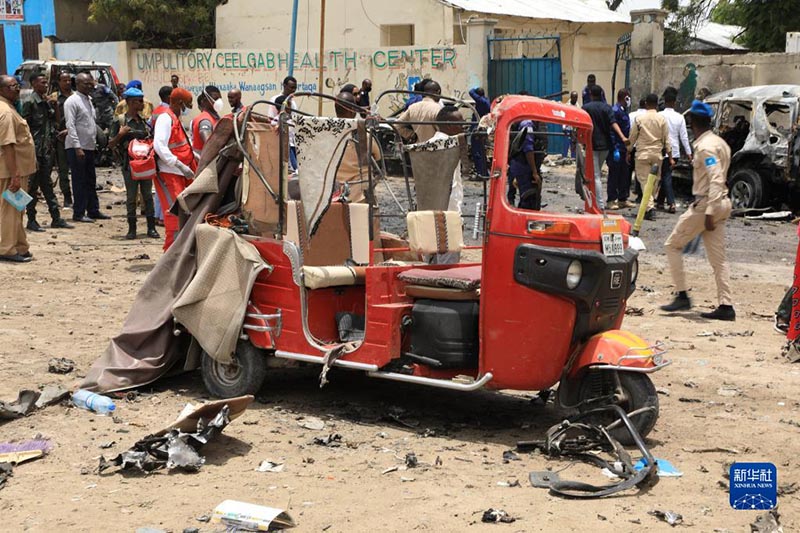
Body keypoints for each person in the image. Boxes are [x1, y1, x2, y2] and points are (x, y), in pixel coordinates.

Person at [661, 100, 735, 321]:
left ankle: (682, 294)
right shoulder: (720, 142)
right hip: (723, 202)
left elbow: (716, 177)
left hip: (707, 205)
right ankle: (726, 305)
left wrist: (710, 211)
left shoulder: (705, 147)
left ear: (692, 122)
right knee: (718, 259)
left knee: (672, 245)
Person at [20, 73, 72, 232]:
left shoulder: (48, 101)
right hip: (35, 150)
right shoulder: (30, 102)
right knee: (33, 186)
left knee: (47, 184)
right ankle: (32, 219)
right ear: (34, 84)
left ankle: (56, 218)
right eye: (42, 82)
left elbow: (55, 121)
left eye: (46, 82)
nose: (45, 84)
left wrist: (55, 106)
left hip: (47, 149)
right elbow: (24, 127)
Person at [109, 87, 159, 240]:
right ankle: (132, 229)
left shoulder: (144, 122)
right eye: (139, 101)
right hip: (129, 164)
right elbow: (110, 144)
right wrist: (121, 135)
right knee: (131, 197)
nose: (142, 103)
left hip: (144, 164)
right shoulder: (120, 121)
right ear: (130, 102)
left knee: (147, 196)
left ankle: (151, 228)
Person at [153, 87, 195, 250]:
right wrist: (178, 164)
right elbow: (159, 146)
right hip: (168, 173)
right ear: (179, 103)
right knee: (173, 213)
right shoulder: (165, 118)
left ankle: (177, 251)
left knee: (183, 212)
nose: (186, 109)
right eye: (186, 105)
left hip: (178, 173)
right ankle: (169, 254)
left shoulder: (175, 118)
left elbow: (182, 144)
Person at [0, 75, 37, 262]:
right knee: (11, 210)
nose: (17, 89)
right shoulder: (5, 112)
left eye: (17, 85)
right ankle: (6, 249)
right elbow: (7, 145)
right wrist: (14, 174)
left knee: (18, 209)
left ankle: (21, 246)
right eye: (13, 86)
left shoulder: (9, 107)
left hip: (16, 169)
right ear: (2, 90)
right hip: (10, 170)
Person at [64, 72, 109, 223]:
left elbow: (88, 123)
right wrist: (77, 147)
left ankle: (93, 210)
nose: (90, 86)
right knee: (79, 181)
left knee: (90, 180)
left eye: (91, 83)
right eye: (86, 84)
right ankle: (78, 213)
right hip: (77, 147)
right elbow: (70, 125)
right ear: (77, 84)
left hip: (89, 146)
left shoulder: (89, 100)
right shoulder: (72, 101)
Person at [429, 105, 465, 264]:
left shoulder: (432, 143)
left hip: (432, 212)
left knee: (434, 258)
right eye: (461, 123)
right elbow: (449, 185)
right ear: (450, 125)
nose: (464, 126)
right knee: (447, 265)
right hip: (448, 213)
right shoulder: (447, 146)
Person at [582, 84, 627, 210]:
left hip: (592, 145)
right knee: (596, 173)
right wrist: (622, 137)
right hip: (606, 146)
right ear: (602, 94)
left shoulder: (586, 108)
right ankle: (594, 201)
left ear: (590, 94)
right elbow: (613, 123)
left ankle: (599, 204)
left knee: (595, 175)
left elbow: (580, 125)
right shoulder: (607, 108)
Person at [333, 90, 381, 202]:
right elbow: (378, 162)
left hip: (334, 193)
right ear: (353, 110)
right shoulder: (364, 135)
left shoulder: (328, 134)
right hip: (360, 195)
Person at [627, 93, 669, 220]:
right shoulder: (662, 120)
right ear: (657, 104)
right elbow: (667, 139)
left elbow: (632, 137)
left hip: (643, 155)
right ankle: (649, 206)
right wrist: (670, 155)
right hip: (657, 155)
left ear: (646, 104)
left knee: (645, 182)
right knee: (654, 182)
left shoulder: (639, 119)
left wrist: (628, 151)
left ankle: (650, 208)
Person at [657, 87, 693, 213]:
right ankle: (660, 202)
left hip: (661, 150)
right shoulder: (680, 117)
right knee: (666, 175)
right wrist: (689, 153)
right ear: (674, 102)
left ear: (664, 102)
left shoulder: (659, 116)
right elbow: (684, 137)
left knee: (665, 176)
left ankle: (671, 203)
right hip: (675, 152)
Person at [606, 89, 633, 210]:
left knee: (624, 174)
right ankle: (611, 199)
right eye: (628, 98)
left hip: (624, 147)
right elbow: (611, 130)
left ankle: (623, 199)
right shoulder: (615, 111)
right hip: (616, 147)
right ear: (624, 97)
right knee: (614, 175)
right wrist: (615, 147)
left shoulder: (623, 111)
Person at [52, 71, 74, 207]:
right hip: (60, 138)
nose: (67, 83)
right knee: (63, 169)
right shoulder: (54, 98)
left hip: (75, 136)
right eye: (64, 80)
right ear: (59, 82)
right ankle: (67, 197)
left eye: (69, 80)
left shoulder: (76, 97)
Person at [397, 80, 442, 144]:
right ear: (438, 92)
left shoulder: (412, 107)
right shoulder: (437, 108)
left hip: (417, 149)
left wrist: (411, 135)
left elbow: (396, 126)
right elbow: (443, 132)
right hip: (434, 149)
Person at [268, 76, 298, 170]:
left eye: (295, 88)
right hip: (280, 139)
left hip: (292, 140)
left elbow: (294, 120)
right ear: (284, 86)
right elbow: (272, 119)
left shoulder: (293, 103)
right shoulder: (275, 100)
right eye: (291, 87)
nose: (293, 90)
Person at [191, 85, 221, 157]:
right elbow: (209, 143)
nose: (218, 102)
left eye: (219, 99)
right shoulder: (205, 120)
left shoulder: (214, 116)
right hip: (205, 161)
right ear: (205, 100)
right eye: (215, 99)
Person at [468, 87, 490, 178]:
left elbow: (471, 91)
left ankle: (481, 173)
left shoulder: (481, 101)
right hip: (483, 128)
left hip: (478, 128)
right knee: (481, 151)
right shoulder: (486, 100)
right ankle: (484, 172)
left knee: (477, 152)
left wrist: (474, 88)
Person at [562, 91, 578, 158]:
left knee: (573, 143)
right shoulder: (566, 106)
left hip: (574, 128)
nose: (574, 98)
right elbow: (563, 116)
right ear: (571, 97)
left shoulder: (578, 107)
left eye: (576, 97)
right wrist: (563, 126)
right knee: (566, 143)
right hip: (567, 127)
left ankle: (573, 157)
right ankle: (564, 157)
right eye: (573, 97)